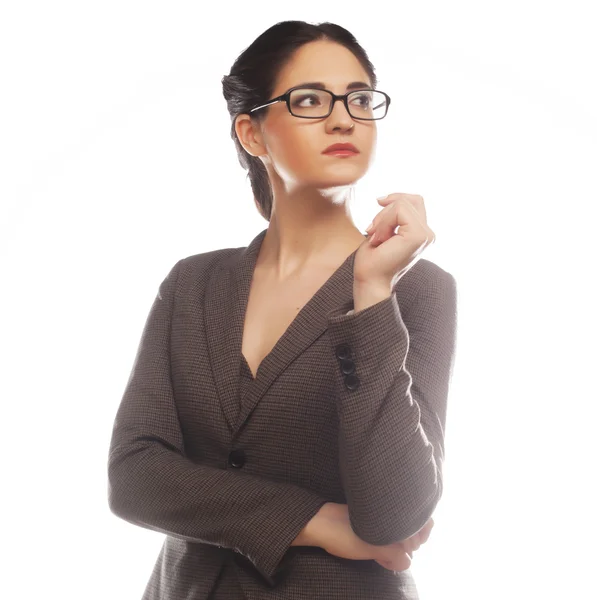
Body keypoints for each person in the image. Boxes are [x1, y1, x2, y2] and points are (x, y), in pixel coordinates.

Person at [107, 19, 458, 600]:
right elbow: (133, 476)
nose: (344, 117)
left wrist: (372, 296)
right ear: (252, 133)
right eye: (310, 99)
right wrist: (311, 521)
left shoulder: (417, 290)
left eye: (360, 99)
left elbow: (394, 515)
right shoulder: (192, 284)